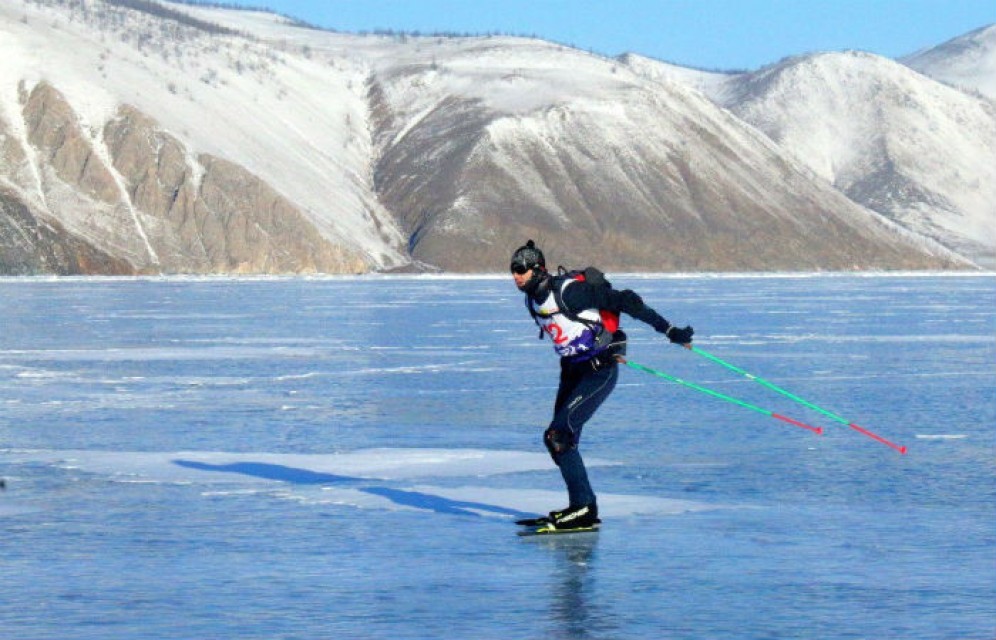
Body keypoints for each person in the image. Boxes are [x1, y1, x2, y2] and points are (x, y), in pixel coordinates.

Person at [510, 240, 694, 530]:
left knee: (558, 435)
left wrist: (670, 330)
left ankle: (583, 509)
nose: (516, 276)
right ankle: (582, 507)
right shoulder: (532, 299)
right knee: (560, 443)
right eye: (513, 270)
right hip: (571, 371)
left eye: (521, 269)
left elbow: (623, 300)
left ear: (538, 269)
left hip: (598, 370)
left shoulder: (568, 292)